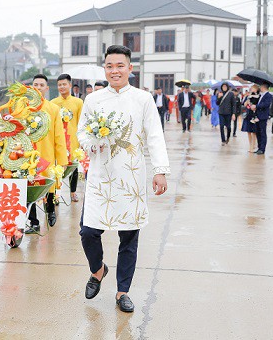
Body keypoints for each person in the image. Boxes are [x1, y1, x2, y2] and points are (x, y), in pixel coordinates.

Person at [77, 45, 169, 313]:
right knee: (88, 231)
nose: (114, 71)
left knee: (129, 235)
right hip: (100, 175)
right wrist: (92, 143)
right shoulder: (93, 100)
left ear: (131, 68)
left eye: (120, 66)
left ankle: (122, 292)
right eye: (109, 66)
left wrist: (159, 170)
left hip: (131, 176)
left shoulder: (143, 99)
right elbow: (82, 133)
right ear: (104, 69)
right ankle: (98, 270)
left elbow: (154, 135)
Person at [26, 74, 68, 233]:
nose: (38, 87)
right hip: (28, 155)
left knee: (48, 184)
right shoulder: (24, 108)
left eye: (41, 85)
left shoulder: (53, 109)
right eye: (35, 84)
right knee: (30, 187)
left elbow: (59, 135)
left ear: (46, 88)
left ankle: (50, 210)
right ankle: (34, 221)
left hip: (47, 152)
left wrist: (62, 160)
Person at [51, 74, 84, 202]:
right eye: (59, 85)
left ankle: (73, 192)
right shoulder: (53, 103)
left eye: (64, 84)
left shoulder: (78, 102)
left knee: (73, 167)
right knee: (57, 168)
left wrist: (80, 141)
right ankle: (56, 194)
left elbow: (81, 122)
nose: (62, 87)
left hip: (73, 140)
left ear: (70, 85)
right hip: (58, 141)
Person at [251, 83, 272, 154]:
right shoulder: (260, 95)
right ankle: (259, 147)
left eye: (261, 86)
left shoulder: (268, 95)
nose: (260, 87)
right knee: (258, 132)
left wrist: (256, 106)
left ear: (264, 87)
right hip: (257, 116)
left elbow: (266, 104)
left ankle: (262, 149)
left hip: (263, 117)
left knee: (262, 133)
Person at [241, 85, 259, 152]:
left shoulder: (258, 96)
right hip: (248, 115)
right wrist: (247, 101)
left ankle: (253, 145)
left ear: (256, 89)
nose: (252, 90)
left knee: (254, 132)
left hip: (254, 115)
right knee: (248, 131)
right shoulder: (248, 96)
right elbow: (244, 104)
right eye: (251, 88)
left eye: (254, 88)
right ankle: (250, 145)